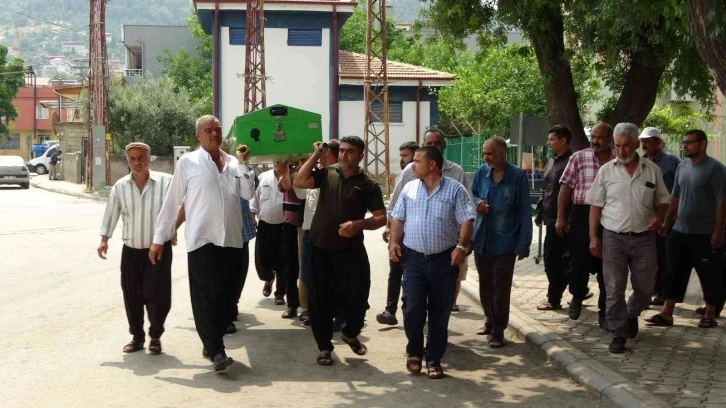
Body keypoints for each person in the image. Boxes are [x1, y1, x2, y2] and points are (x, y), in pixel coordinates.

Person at [149, 115, 255, 372]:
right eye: (208, 130)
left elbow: (247, 194)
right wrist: (159, 238)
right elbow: (172, 201)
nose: (214, 134)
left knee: (227, 297)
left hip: (231, 238)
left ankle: (212, 340)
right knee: (207, 295)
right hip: (202, 239)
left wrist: (242, 165)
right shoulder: (188, 162)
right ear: (198, 136)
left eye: (217, 130)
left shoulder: (232, 163)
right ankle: (217, 350)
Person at [293, 136, 387, 366]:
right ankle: (324, 347)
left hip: (350, 251)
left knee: (358, 297)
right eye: (342, 151)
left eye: (350, 151)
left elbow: (380, 217)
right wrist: (316, 155)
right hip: (319, 249)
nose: (345, 155)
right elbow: (299, 181)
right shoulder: (326, 174)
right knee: (319, 301)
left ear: (361, 155)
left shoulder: (368, 185)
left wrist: (358, 225)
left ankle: (350, 333)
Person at [389, 146, 474, 380]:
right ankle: (414, 352)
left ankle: (434, 359)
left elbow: (467, 219)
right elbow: (398, 217)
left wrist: (461, 246)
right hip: (414, 259)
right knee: (412, 307)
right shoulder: (409, 188)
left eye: (417, 161)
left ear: (432, 165)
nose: (412, 165)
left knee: (439, 311)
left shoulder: (455, 190)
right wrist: (394, 242)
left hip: (443, 260)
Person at [586, 123, 670, 353]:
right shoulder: (606, 171)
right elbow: (595, 206)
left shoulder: (651, 170)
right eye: (618, 146)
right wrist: (593, 237)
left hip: (644, 238)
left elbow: (664, 200)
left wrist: (659, 217)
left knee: (645, 289)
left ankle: (632, 313)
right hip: (614, 238)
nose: (621, 151)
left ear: (635, 145)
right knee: (614, 288)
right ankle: (618, 333)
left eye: (626, 146)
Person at [379, 129, 469, 326]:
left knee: (440, 300)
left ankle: (437, 329)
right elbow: (396, 204)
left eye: (438, 143)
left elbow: (466, 213)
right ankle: (392, 311)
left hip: (446, 249)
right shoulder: (411, 171)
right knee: (409, 291)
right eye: (430, 142)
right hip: (411, 245)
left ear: (443, 146)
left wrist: (462, 245)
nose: (434, 146)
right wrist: (392, 233)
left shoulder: (456, 175)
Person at [98, 142, 175, 355]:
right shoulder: (120, 187)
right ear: (127, 161)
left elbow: (176, 208)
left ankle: (156, 336)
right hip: (131, 250)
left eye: (141, 157)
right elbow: (111, 213)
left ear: (149, 158)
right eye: (132, 158)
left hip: (158, 250)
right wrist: (104, 239)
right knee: (131, 294)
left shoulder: (165, 182)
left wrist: (173, 229)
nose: (137, 162)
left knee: (157, 295)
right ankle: (137, 336)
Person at [646, 129, 726, 328]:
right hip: (680, 230)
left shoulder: (715, 169)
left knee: (709, 275)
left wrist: (718, 230)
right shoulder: (682, 167)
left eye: (690, 142)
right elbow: (675, 197)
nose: (685, 145)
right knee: (673, 272)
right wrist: (666, 222)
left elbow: (722, 201)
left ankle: (709, 312)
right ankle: (667, 313)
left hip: (705, 233)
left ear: (702, 144)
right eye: (684, 142)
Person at [471, 136, 532, 348]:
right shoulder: (481, 172)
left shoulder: (516, 176)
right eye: (484, 153)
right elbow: (475, 193)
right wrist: (478, 203)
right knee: (485, 285)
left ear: (502, 154)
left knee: (501, 288)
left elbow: (525, 210)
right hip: (483, 239)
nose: (485, 157)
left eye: (489, 153)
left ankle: (498, 331)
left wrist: (524, 243)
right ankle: (489, 319)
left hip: (506, 242)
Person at [558, 122, 615, 329]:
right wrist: (561, 217)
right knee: (577, 262)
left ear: (610, 139)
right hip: (581, 214)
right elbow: (565, 188)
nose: (595, 141)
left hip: (609, 217)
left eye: (600, 137)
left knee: (606, 267)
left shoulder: (617, 161)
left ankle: (604, 312)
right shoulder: (579, 158)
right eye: (593, 137)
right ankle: (577, 295)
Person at [294, 140, 341, 326]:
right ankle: (316, 311)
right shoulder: (316, 175)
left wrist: (314, 157)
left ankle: (335, 313)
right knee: (308, 275)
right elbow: (299, 190)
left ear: (327, 152)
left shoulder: (337, 175)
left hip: (329, 233)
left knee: (331, 274)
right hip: (309, 232)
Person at [376, 140, 419, 325]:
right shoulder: (405, 173)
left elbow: (394, 201)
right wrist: (389, 226)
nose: (402, 159)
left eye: (406, 155)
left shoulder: (412, 170)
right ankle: (390, 310)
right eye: (401, 155)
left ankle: (407, 311)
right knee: (396, 271)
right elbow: (396, 201)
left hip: (417, 234)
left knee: (409, 275)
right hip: (402, 231)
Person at [638, 127, 681, 306]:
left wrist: (668, 218)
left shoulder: (672, 161)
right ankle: (650, 291)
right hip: (646, 216)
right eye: (643, 141)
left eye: (648, 141)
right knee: (649, 258)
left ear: (658, 142)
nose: (644, 144)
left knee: (665, 257)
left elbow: (678, 190)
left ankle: (664, 293)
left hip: (666, 217)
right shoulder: (641, 162)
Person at [535, 125, 574, 311]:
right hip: (550, 218)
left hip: (565, 221)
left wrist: (564, 218)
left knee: (559, 260)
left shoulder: (572, 162)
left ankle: (555, 297)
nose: (548, 143)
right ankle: (575, 289)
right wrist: (540, 211)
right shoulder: (551, 161)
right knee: (551, 260)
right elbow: (546, 188)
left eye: (551, 140)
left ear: (563, 140)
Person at [251, 163, 286, 305]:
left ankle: (280, 294)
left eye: (281, 162)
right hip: (265, 225)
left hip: (284, 227)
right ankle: (268, 279)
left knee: (282, 262)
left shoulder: (290, 177)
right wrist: (252, 217)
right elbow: (255, 200)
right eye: (276, 162)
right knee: (262, 259)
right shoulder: (263, 177)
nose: (278, 165)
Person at [276, 160, 303, 319]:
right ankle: (292, 305)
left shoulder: (311, 174)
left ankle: (308, 307)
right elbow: (284, 186)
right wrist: (286, 171)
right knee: (290, 268)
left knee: (307, 268)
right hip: (289, 226)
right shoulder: (286, 177)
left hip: (306, 226)